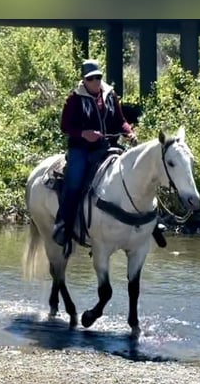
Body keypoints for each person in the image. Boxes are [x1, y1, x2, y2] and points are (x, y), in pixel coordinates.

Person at [52, 59, 137, 248]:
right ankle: (63, 226)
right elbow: (65, 127)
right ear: (84, 80)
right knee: (74, 182)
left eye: (98, 77)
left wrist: (128, 131)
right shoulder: (74, 99)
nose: (96, 82)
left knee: (131, 172)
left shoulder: (109, 94)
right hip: (80, 149)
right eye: (91, 79)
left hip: (107, 147)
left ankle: (146, 223)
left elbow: (120, 120)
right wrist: (84, 134)